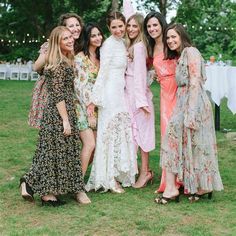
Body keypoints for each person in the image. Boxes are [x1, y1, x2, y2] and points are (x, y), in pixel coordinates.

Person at [20, 26, 91, 206]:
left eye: (70, 37)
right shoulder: (58, 61)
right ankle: (45, 193)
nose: (70, 40)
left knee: (54, 152)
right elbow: (58, 93)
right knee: (52, 152)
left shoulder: (64, 58)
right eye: (65, 39)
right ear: (57, 43)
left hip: (61, 110)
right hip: (58, 112)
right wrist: (66, 120)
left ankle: (44, 190)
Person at [155, 23, 223, 204]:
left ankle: (172, 189)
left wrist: (191, 113)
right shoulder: (181, 55)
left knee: (175, 140)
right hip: (185, 102)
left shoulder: (190, 51)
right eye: (167, 38)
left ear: (182, 36)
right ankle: (202, 186)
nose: (170, 40)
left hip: (194, 104)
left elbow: (194, 82)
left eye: (173, 37)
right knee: (194, 144)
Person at [85, 11, 138, 193]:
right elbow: (103, 72)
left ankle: (118, 173)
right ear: (109, 28)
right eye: (114, 27)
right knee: (109, 134)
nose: (118, 30)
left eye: (120, 26)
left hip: (120, 92)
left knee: (120, 132)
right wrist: (95, 99)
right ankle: (108, 178)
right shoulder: (107, 45)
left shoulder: (122, 43)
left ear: (125, 25)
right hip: (109, 94)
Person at [144, 11, 181, 193]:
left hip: (180, 93)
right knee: (168, 136)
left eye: (155, 25)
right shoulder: (150, 49)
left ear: (162, 24)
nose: (152, 29)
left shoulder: (171, 43)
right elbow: (148, 67)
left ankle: (185, 179)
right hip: (166, 97)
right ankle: (171, 181)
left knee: (182, 136)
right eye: (149, 26)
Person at [125, 13, 155, 188]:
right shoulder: (133, 46)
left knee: (142, 135)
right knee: (135, 134)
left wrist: (141, 102)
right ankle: (138, 170)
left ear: (141, 28)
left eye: (135, 26)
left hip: (137, 97)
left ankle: (145, 172)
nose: (130, 29)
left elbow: (140, 77)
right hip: (130, 95)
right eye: (129, 25)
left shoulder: (139, 47)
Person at [74, 22, 105, 176]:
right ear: (87, 38)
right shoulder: (80, 58)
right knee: (90, 144)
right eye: (93, 35)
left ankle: (74, 176)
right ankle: (77, 185)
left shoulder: (101, 56)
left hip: (98, 105)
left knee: (95, 147)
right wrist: (90, 111)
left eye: (99, 34)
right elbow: (80, 87)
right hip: (82, 106)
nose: (98, 38)